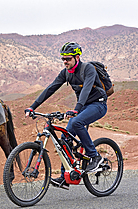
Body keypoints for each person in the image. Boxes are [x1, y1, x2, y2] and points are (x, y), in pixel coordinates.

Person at [25, 42, 108, 190]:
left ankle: (95, 157)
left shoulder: (88, 69)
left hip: (98, 104)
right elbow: (51, 88)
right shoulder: (66, 73)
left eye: (68, 59)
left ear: (77, 57)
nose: (65, 62)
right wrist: (33, 106)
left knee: (76, 123)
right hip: (83, 107)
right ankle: (66, 177)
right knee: (65, 138)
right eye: (63, 59)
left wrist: (76, 109)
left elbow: (86, 90)